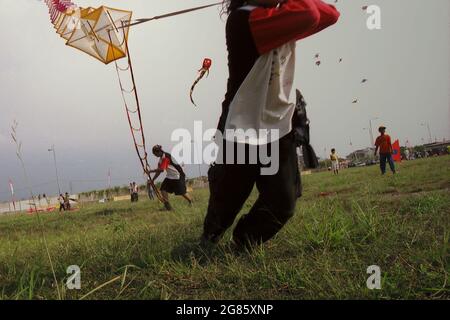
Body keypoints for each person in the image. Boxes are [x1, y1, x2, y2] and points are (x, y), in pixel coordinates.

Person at [201, 0, 340, 250]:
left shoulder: (279, 16)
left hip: (279, 124)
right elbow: (310, 13)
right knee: (230, 196)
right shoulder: (244, 20)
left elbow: (330, 14)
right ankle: (209, 238)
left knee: (283, 202)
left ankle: (244, 240)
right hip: (243, 125)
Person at [150, 145, 193, 210]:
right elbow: (158, 171)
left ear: (159, 152)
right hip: (170, 176)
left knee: (181, 192)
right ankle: (167, 206)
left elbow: (162, 170)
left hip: (178, 175)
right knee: (163, 189)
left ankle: (191, 201)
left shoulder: (166, 157)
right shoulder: (160, 160)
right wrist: (153, 180)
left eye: (155, 153)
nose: (155, 155)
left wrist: (150, 171)